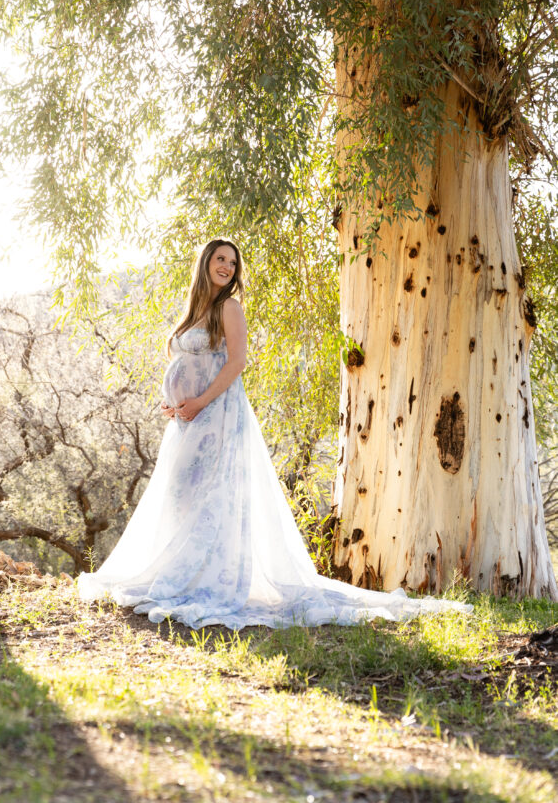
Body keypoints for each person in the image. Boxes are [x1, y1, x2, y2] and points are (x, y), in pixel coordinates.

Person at [77, 238, 471, 628]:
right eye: (220, 259)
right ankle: (185, 574)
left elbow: (236, 364)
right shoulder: (193, 313)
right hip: (186, 422)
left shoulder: (228, 308)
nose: (227, 267)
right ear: (205, 264)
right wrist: (174, 402)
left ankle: (211, 581)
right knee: (182, 495)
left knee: (213, 497)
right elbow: (187, 363)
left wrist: (198, 402)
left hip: (217, 417)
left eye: (232, 262)